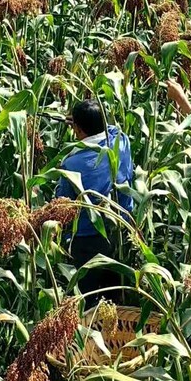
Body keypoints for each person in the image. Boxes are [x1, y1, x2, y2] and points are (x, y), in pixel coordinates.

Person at [55, 100, 133, 305]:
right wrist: (87, 123)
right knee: (113, 295)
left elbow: (62, 203)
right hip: (120, 230)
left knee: (86, 297)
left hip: (87, 237)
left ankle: (88, 323)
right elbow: (112, 130)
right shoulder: (121, 143)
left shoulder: (72, 163)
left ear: (78, 129)